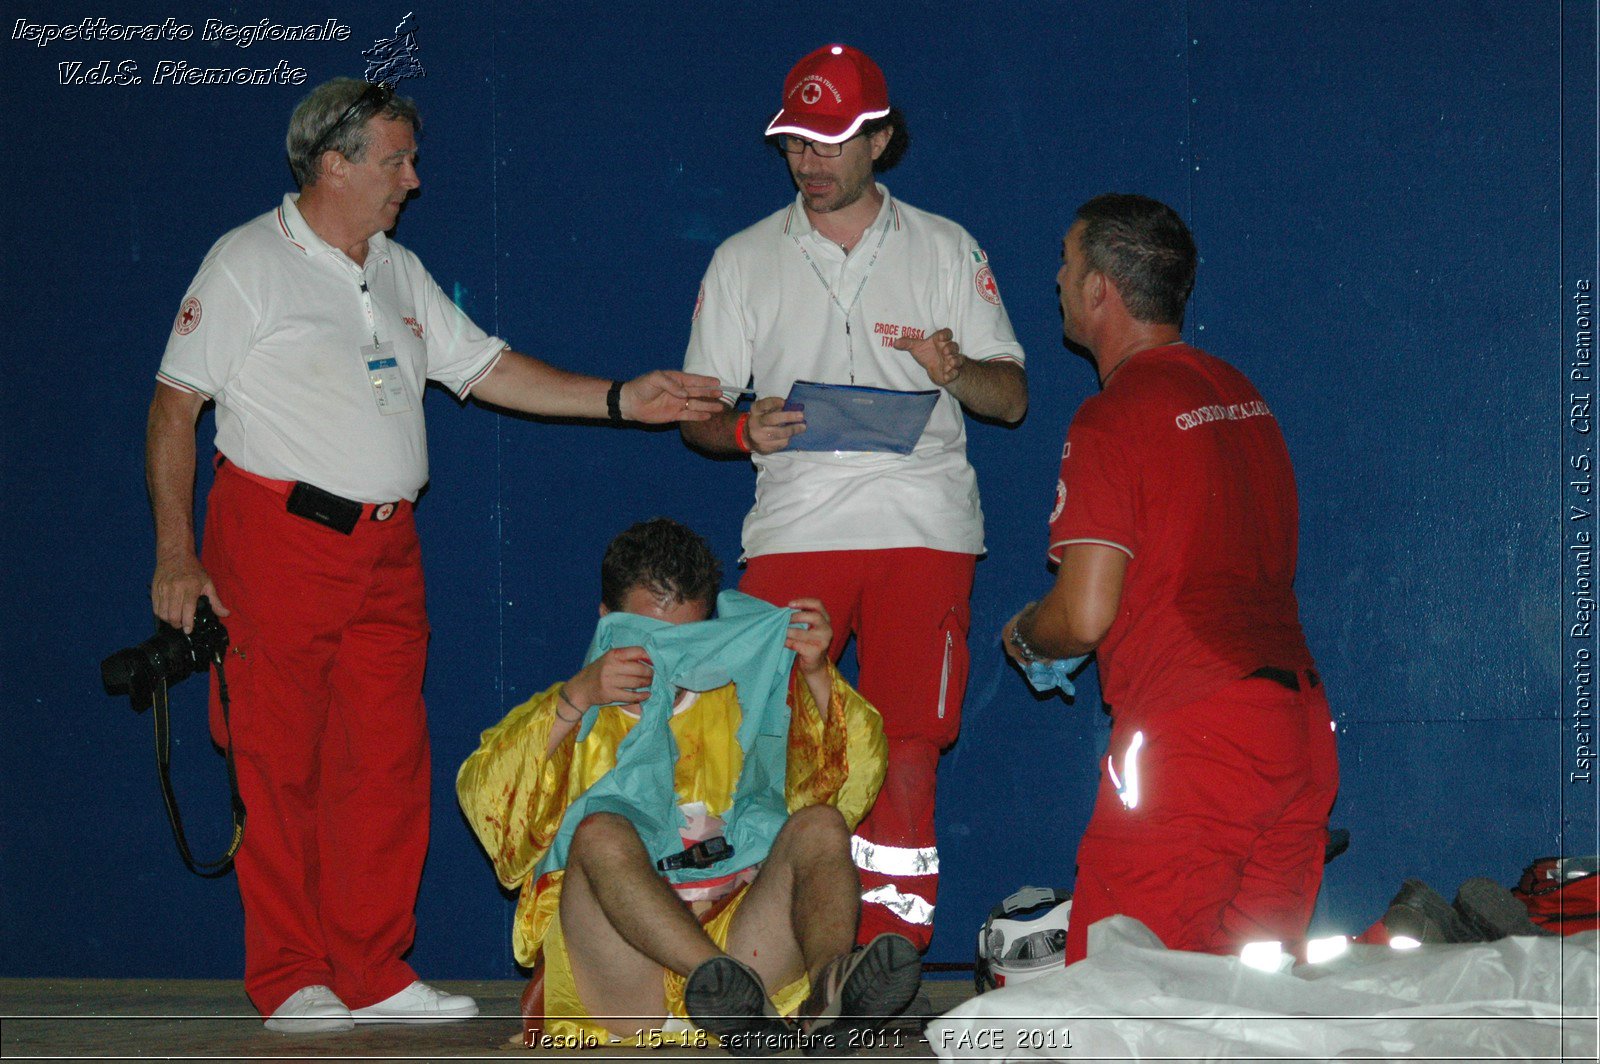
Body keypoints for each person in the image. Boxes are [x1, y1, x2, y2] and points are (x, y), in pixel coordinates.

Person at [146, 78, 724, 1034]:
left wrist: (627, 397)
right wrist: (176, 552)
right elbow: (174, 406)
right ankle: (290, 976)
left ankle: (371, 966)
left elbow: (488, 368)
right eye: (396, 159)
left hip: (386, 549)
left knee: (384, 760)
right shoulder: (246, 262)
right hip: (273, 539)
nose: (413, 179)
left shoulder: (398, 271)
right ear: (334, 162)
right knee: (277, 758)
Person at [680, 43, 1028, 952]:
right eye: (796, 142)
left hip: (925, 522)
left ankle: (887, 958)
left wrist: (957, 371)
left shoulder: (948, 247)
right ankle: (764, 954)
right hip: (794, 526)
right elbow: (697, 415)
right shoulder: (743, 258)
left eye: (831, 141)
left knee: (910, 748)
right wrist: (739, 430)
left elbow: (1014, 398)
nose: (810, 161)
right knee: (767, 741)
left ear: (879, 138)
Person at [1001, 193, 1340, 965]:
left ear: (1098, 290)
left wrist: (1024, 635)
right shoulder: (1241, 396)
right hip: (1298, 732)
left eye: (1066, 260)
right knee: (1245, 1014)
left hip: (1197, 739)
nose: (1055, 278)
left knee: (1121, 1002)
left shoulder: (1113, 416)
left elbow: (1084, 615)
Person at [457, 518, 921, 1055]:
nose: (665, 658)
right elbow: (486, 798)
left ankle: (828, 992)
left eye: (688, 641)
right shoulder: (573, 712)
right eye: (645, 637)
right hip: (628, 979)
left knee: (820, 824)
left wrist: (816, 673)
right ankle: (722, 989)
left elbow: (852, 778)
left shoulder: (740, 701)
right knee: (601, 830)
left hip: (743, 937)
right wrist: (576, 698)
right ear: (606, 621)